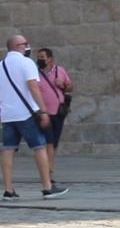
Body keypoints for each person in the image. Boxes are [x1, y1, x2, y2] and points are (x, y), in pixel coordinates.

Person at [1, 36, 68, 200]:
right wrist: (43, 111)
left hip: (8, 115)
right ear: (17, 46)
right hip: (26, 114)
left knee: (8, 149)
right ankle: (47, 187)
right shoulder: (27, 63)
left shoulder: (1, 66)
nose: (28, 46)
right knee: (40, 147)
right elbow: (33, 88)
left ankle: (9, 190)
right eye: (25, 44)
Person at [36, 48, 73, 182]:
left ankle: (49, 169)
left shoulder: (59, 71)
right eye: (38, 57)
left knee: (54, 143)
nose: (39, 59)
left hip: (58, 112)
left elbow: (70, 87)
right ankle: (49, 172)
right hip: (43, 113)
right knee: (49, 142)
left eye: (42, 57)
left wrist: (62, 85)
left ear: (50, 59)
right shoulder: (35, 73)